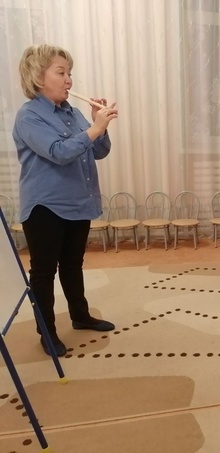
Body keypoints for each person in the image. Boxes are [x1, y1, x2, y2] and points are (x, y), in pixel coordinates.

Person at [13, 44, 118, 357]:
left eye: (69, 73)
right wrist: (94, 129)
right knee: (44, 271)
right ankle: (46, 332)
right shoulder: (29, 116)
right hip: (45, 206)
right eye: (61, 72)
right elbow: (58, 153)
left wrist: (99, 125)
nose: (69, 79)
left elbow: (99, 151)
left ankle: (80, 315)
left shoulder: (73, 113)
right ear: (38, 77)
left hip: (77, 201)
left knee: (73, 264)